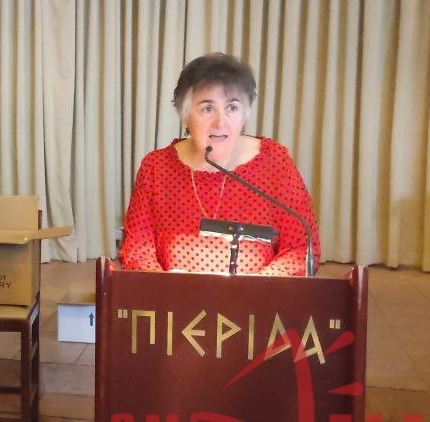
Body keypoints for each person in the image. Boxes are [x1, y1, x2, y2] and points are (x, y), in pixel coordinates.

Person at [119, 52, 321, 275]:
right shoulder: (157, 168)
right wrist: (169, 285)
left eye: (232, 107)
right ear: (184, 115)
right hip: (175, 296)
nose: (220, 122)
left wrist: (256, 285)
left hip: (258, 296)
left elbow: (301, 250)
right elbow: (137, 250)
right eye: (207, 108)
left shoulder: (274, 163)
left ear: (245, 114)